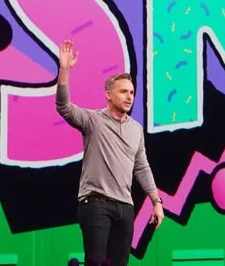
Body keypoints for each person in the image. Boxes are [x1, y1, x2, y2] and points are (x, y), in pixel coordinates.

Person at [55, 39, 164, 266]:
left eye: (131, 92)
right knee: (96, 262)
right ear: (108, 95)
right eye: (123, 91)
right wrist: (64, 70)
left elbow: (142, 167)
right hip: (96, 203)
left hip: (125, 207)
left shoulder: (136, 129)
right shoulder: (93, 120)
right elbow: (64, 107)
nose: (129, 96)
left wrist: (156, 201)